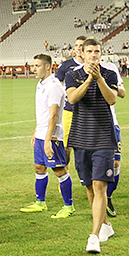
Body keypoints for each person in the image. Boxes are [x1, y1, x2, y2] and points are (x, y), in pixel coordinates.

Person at [65, 38, 118, 253]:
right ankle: (105, 224)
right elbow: (73, 98)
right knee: (88, 185)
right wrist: (88, 80)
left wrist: (99, 80)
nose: (94, 55)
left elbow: (112, 99)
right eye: (90, 51)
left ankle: (94, 236)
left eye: (97, 51)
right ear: (82, 53)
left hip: (104, 137)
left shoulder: (109, 73)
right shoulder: (73, 74)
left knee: (100, 185)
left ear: (101, 53)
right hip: (81, 136)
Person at [19, 54, 76, 218]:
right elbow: (43, 113)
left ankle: (69, 206)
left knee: (59, 169)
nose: (34, 69)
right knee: (39, 167)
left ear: (48, 67)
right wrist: (36, 130)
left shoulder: (54, 86)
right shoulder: (41, 84)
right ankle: (40, 203)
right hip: (42, 133)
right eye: (33, 65)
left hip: (52, 137)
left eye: (37, 66)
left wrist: (47, 140)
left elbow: (53, 115)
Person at [54, 35, 86, 165]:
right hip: (69, 111)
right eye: (77, 45)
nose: (78, 48)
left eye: (81, 45)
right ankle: (64, 178)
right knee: (66, 147)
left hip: (88, 112)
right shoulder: (66, 65)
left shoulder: (94, 66)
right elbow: (55, 84)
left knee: (85, 148)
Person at [101, 60, 126, 217]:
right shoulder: (77, 71)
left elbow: (122, 92)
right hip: (90, 126)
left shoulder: (110, 68)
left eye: (96, 51)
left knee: (115, 162)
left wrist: (116, 89)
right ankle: (98, 197)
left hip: (111, 123)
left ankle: (108, 197)